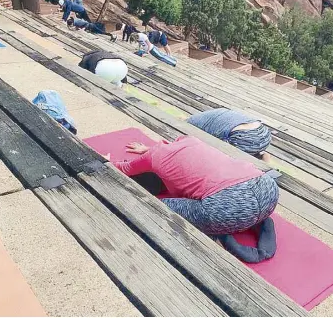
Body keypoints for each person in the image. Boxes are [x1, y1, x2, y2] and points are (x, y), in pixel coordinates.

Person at [115, 136, 278, 263]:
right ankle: (263, 222)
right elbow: (172, 151)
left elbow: (124, 168)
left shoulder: (153, 156)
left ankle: (223, 236)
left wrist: (107, 159)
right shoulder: (193, 142)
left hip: (226, 206)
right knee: (245, 208)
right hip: (268, 190)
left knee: (160, 206)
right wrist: (149, 150)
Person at [187, 108, 271, 162]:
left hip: (243, 136)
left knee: (226, 158)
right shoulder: (201, 117)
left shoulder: (191, 124)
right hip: (263, 132)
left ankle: (261, 162)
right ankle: (259, 154)